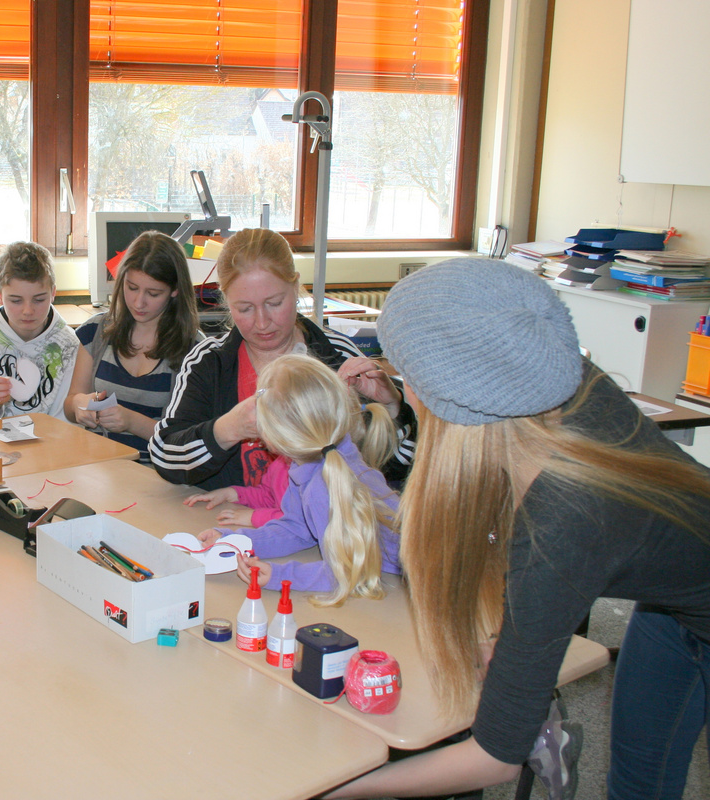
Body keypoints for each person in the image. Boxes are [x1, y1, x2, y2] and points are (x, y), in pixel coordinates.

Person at [325, 258, 710, 799]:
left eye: (408, 378)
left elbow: (494, 758)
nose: (406, 392)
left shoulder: (563, 523)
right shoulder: (556, 380)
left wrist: (330, 789)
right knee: (640, 777)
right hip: (678, 598)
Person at [149, 228, 414, 491]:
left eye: (274, 303)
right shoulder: (210, 362)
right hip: (229, 516)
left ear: (296, 286)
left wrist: (392, 409)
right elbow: (164, 457)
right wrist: (229, 429)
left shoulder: (338, 357)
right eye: (245, 308)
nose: (262, 322)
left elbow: (394, 473)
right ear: (226, 300)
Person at [193, 354, 400, 603]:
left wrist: (281, 576)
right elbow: (297, 528)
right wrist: (235, 542)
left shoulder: (323, 487)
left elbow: (349, 572)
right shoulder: (314, 461)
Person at [64, 231, 202, 460]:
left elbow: (189, 438)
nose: (139, 302)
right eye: (132, 287)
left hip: (156, 472)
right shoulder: (94, 332)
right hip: (95, 467)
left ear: (175, 291)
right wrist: (78, 403)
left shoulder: (196, 350)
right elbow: (70, 404)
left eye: (153, 293)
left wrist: (132, 422)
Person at [0, 241, 79, 419]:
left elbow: (66, 419)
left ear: (53, 293)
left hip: (52, 435)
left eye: (39, 300)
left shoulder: (69, 343)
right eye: (16, 301)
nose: (28, 311)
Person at [183, 455, 290, 527]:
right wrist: (232, 493)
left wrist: (255, 517)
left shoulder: (299, 468)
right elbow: (268, 496)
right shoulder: (282, 461)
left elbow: (297, 521)